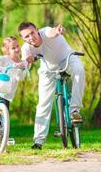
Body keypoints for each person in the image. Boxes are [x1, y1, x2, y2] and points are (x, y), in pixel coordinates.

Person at [18, 21, 85, 150]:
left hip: (67, 59)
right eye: (26, 36)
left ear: (37, 30)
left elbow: (52, 32)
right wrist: (26, 62)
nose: (31, 37)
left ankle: (74, 110)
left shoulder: (46, 32)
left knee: (79, 71)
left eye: (32, 33)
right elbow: (26, 62)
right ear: (23, 39)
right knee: (43, 102)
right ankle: (38, 141)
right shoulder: (26, 48)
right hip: (48, 68)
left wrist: (58, 30)